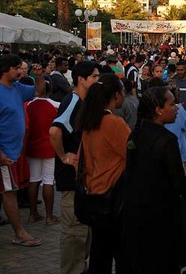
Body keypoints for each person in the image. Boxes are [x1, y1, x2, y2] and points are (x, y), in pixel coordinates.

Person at [122, 86, 186, 274]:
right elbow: (178, 181)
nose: (176, 108)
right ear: (159, 110)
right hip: (161, 214)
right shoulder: (166, 140)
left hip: (136, 212)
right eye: (172, 104)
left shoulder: (136, 133)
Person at [76, 74, 130, 274]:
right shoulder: (114, 123)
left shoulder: (89, 120)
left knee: (100, 253)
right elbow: (134, 154)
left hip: (94, 195)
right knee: (123, 254)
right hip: (113, 198)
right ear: (116, 95)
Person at [49, 61, 100, 274]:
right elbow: (54, 131)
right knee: (74, 233)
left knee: (84, 233)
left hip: (83, 181)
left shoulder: (85, 103)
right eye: (95, 77)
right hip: (71, 180)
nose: (98, 81)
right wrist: (63, 156)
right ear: (82, 79)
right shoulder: (73, 101)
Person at [0, 54, 45, 247]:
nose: (20, 71)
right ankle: (19, 233)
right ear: (5, 69)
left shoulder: (17, 88)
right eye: (16, 68)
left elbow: (38, 91)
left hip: (14, 152)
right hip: (4, 154)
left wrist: (39, 75)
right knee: (9, 192)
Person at [26, 81, 60, 224]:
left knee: (33, 180)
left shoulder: (29, 105)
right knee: (48, 181)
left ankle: (32, 214)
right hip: (49, 147)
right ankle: (49, 216)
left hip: (32, 146)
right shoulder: (56, 105)